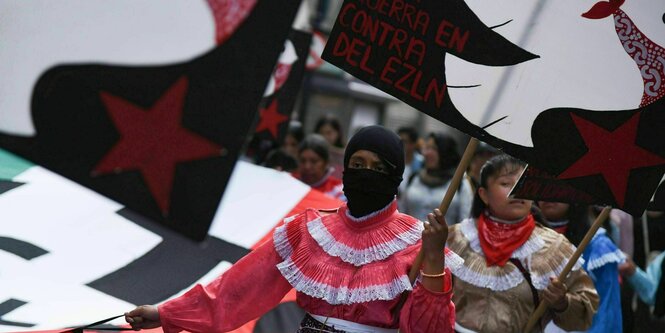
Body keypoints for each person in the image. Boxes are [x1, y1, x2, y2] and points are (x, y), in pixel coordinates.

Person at [124, 125, 462, 333]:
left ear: (397, 177)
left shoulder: (416, 242)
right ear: (343, 168)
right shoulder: (311, 230)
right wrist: (167, 313)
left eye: (378, 168)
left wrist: (432, 262)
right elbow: (239, 287)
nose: (365, 173)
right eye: (357, 164)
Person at [446, 154, 599, 333]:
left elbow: (583, 315)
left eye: (523, 184)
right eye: (506, 184)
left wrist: (562, 302)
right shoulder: (456, 237)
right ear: (484, 194)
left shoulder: (554, 247)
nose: (517, 191)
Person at [538, 201, 625, 333]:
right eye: (542, 186)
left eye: (560, 187)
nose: (548, 196)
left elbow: (607, 310)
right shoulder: (527, 244)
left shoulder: (598, 247)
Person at [401, 132, 473, 225]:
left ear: (445, 152)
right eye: (427, 148)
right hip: (410, 238)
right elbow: (402, 211)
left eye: (434, 149)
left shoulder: (459, 183)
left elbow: (465, 222)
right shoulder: (414, 178)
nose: (427, 153)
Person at [292, 134, 344, 200]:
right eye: (302, 161)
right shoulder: (288, 182)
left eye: (314, 161)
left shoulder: (338, 191)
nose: (307, 167)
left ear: (326, 162)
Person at [314, 114, 345, 179]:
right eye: (321, 133)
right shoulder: (311, 153)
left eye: (329, 133)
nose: (325, 137)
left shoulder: (344, 156)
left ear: (338, 133)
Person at [396, 126, 424, 198]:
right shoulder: (391, 162)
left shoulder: (422, 163)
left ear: (413, 144)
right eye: (397, 140)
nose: (399, 144)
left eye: (404, 141)